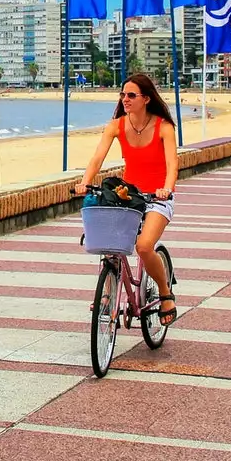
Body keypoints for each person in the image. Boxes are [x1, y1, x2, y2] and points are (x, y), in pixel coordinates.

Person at [74, 73, 179, 325]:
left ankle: (166, 294)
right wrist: (85, 182)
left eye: (131, 95)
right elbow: (97, 158)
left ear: (146, 98)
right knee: (109, 245)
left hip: (157, 197)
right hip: (128, 195)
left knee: (143, 246)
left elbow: (172, 164)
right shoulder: (116, 126)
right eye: (123, 95)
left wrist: (166, 188)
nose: (125, 99)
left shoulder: (164, 127)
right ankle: (108, 294)